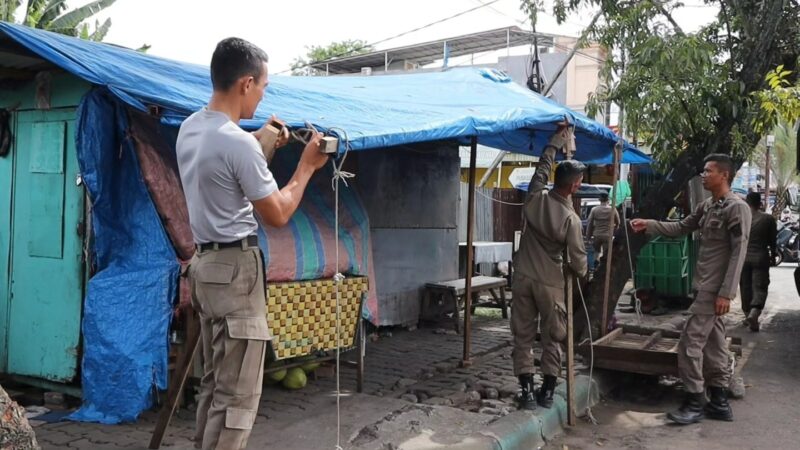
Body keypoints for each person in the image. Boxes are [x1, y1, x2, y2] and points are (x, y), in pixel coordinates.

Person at [176, 38, 328, 449]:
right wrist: (305, 167)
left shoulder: (191, 129)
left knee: (215, 386)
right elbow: (277, 212)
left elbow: (221, 176)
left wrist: (259, 142)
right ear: (245, 83)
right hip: (235, 274)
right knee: (239, 397)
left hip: (205, 268)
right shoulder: (237, 143)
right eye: (262, 86)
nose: (263, 95)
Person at [631, 153, 751, 425]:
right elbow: (681, 227)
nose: (703, 175)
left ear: (724, 175)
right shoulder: (708, 206)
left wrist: (726, 293)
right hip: (704, 287)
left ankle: (695, 400)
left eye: (709, 171)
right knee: (715, 344)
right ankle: (719, 401)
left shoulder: (736, 208)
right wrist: (649, 224)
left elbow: (738, 252)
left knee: (689, 344)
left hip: (714, 291)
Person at [512, 124, 588, 410]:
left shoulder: (534, 198)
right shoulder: (571, 220)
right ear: (573, 185)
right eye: (579, 182)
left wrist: (554, 143)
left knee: (523, 335)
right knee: (553, 337)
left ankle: (527, 392)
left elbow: (540, 172)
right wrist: (581, 274)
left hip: (523, 277)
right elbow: (579, 262)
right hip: (551, 284)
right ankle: (547, 391)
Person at [740, 192, 777, 332]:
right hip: (760, 257)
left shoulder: (741, 218)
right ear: (760, 204)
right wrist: (773, 256)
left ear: (747, 203)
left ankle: (747, 315)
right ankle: (754, 314)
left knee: (745, 287)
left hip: (743, 258)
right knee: (760, 286)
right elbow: (773, 241)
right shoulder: (768, 219)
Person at [585, 192, 620, 265]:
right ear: (608, 200)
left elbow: (590, 224)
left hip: (597, 235)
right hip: (608, 235)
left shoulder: (594, 210)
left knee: (596, 251)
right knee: (606, 253)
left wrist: (588, 237)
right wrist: (614, 230)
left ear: (599, 200)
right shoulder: (612, 209)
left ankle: (596, 262)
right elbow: (618, 222)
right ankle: (604, 267)